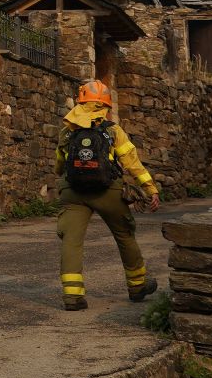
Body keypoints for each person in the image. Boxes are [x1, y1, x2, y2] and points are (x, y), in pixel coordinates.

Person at [55, 79, 161, 311]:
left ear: (81, 100)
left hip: (73, 191)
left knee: (72, 241)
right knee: (124, 235)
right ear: (105, 104)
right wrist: (150, 188)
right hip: (108, 190)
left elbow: (60, 164)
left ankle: (72, 297)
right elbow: (131, 162)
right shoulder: (112, 130)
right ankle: (137, 286)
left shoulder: (67, 129)